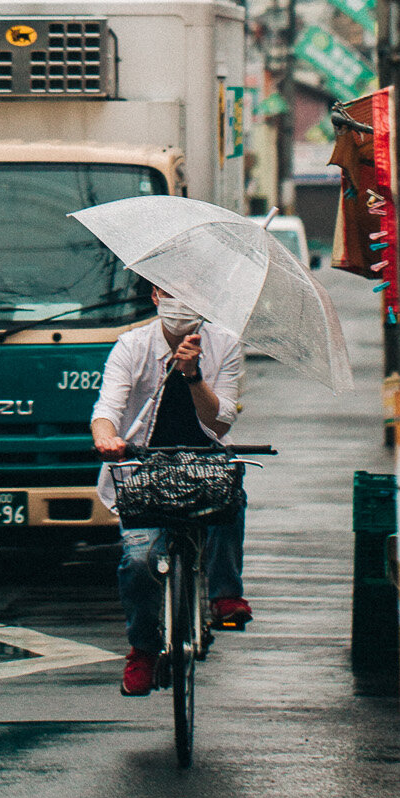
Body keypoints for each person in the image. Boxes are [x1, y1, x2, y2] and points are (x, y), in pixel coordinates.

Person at [91, 286, 252, 697]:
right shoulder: (132, 346)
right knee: (140, 559)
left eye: (191, 294)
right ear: (155, 296)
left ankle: (225, 594)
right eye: (170, 292)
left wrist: (194, 375)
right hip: (143, 467)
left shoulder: (226, 345)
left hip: (204, 463)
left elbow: (221, 424)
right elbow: (107, 409)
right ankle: (142, 650)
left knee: (229, 497)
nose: (180, 302)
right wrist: (107, 439)